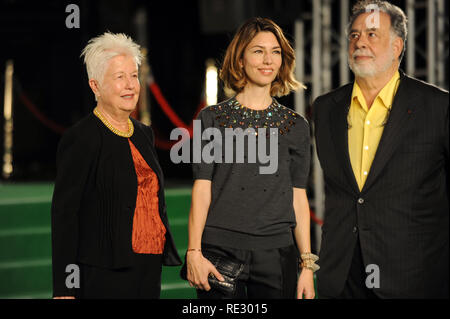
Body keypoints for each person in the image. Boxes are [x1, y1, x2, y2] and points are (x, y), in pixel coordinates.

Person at [313, 0, 449, 298]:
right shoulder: (325, 109)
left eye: (372, 34)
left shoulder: (438, 107)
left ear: (398, 46)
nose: (360, 41)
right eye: (354, 34)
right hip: (342, 277)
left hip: (414, 278)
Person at [185, 17, 318, 299]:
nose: (268, 59)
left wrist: (306, 264)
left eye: (275, 51)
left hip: (276, 254)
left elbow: (298, 196)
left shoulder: (296, 126)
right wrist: (194, 252)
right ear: (240, 58)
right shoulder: (212, 119)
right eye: (258, 51)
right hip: (219, 250)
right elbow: (202, 188)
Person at [51, 32, 181, 299]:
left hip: (147, 265)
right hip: (104, 271)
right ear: (95, 86)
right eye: (119, 77)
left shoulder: (144, 133)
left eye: (134, 75)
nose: (130, 85)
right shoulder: (82, 137)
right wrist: (65, 288)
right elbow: (65, 216)